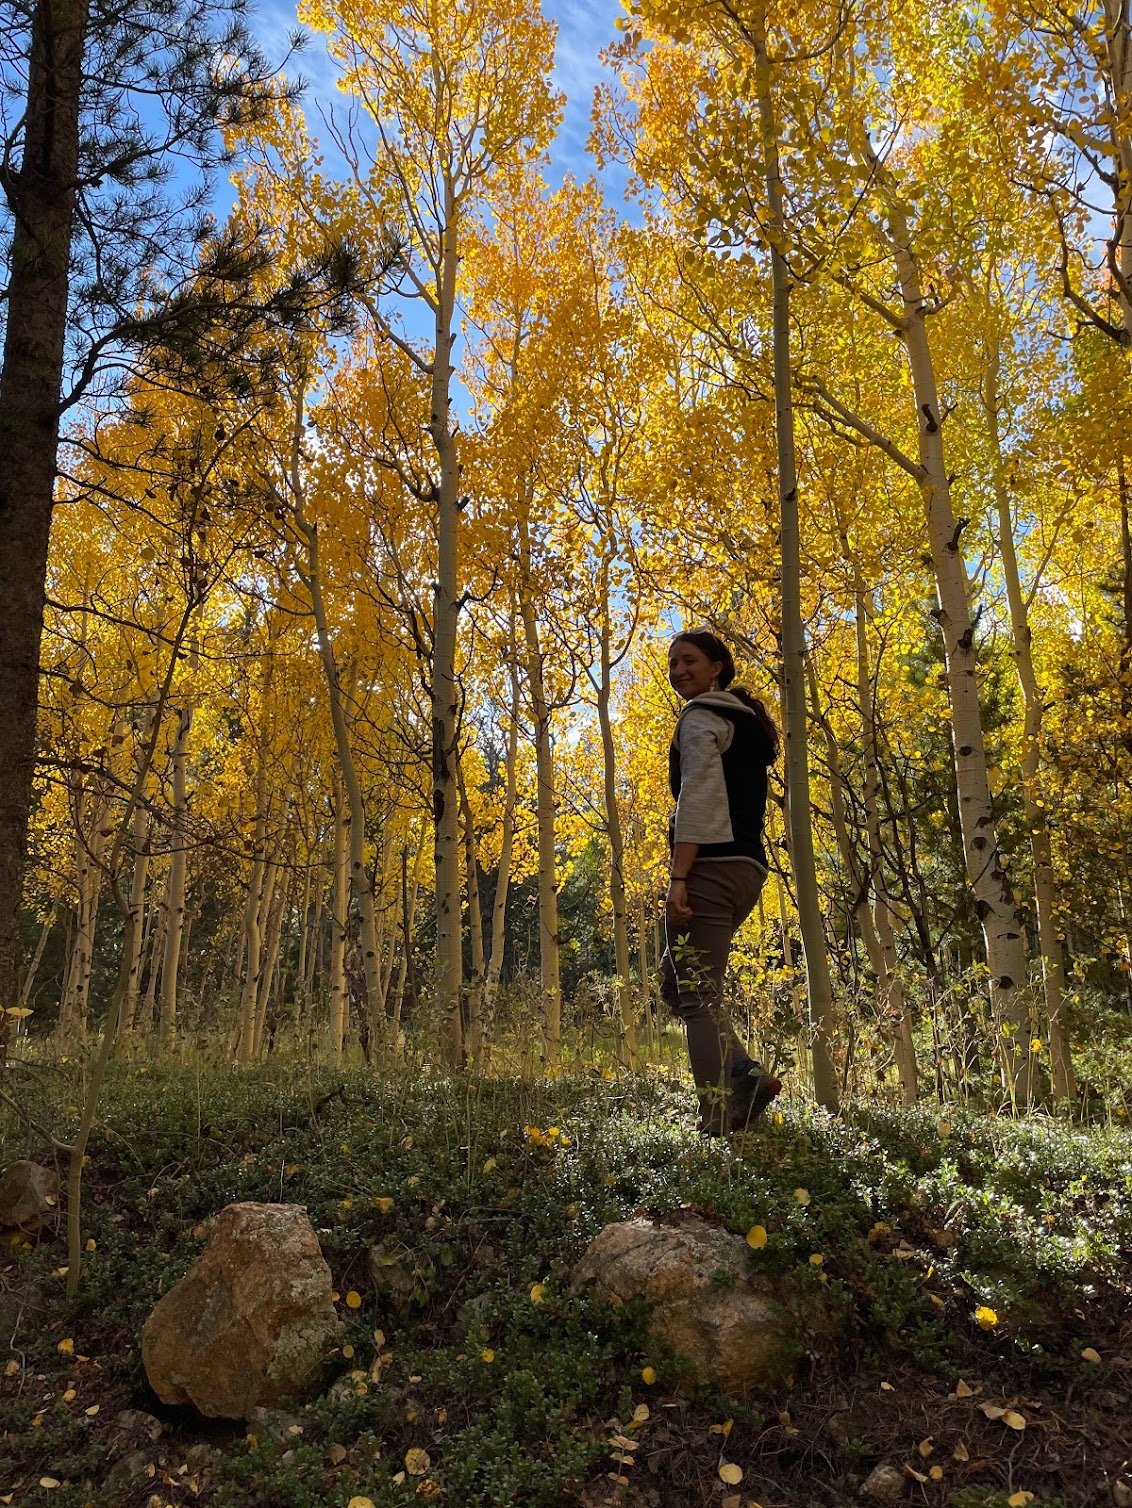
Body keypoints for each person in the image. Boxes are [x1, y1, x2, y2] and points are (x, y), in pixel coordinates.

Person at [660, 628, 782, 1135]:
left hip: (710, 864)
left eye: (689, 660)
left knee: (695, 998)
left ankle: (717, 1123)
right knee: (678, 984)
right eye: (673, 664)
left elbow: (701, 795)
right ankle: (745, 1075)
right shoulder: (746, 721)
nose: (679, 671)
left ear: (716, 667)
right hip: (747, 868)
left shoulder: (702, 716)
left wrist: (679, 875)